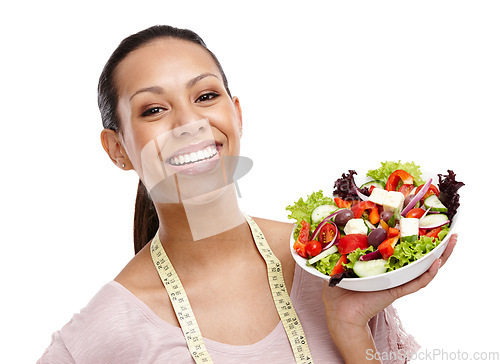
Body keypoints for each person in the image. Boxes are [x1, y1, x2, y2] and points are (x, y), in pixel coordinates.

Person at [38, 25, 456, 364]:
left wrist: (348, 329)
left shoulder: (330, 263)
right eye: (153, 110)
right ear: (116, 150)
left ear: (236, 113)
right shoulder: (102, 337)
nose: (189, 123)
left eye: (205, 96)